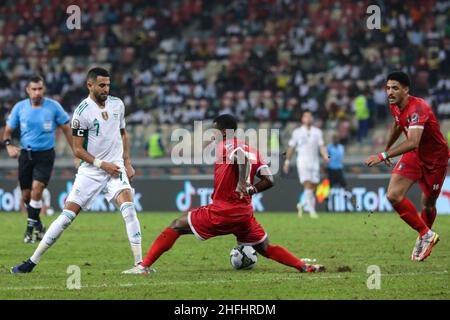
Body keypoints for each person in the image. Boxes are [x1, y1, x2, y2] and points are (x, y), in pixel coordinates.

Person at [122, 114, 325, 274]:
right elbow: (269, 180)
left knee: (176, 225)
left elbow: (241, 158)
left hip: (223, 211)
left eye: (213, 131)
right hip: (244, 214)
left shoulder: (226, 146)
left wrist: (241, 181)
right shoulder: (252, 148)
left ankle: (143, 266)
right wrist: (251, 188)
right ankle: (303, 266)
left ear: (221, 131)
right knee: (265, 248)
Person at [11, 67, 143, 273]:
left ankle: (139, 264)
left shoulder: (118, 104)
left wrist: (127, 161)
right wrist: (102, 164)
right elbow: (78, 149)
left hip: (115, 168)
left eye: (108, 85)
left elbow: (123, 133)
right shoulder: (82, 112)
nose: (106, 89)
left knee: (129, 209)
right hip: (91, 171)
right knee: (66, 217)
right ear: (89, 85)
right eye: (101, 85)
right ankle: (31, 261)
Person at [365, 71, 448, 261]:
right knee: (393, 195)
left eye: (394, 88)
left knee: (428, 204)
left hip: (435, 159)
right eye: (387, 88)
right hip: (414, 156)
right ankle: (426, 234)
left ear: (406, 89)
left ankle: (423, 236)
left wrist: (383, 155)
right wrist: (386, 147)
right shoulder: (394, 105)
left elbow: (412, 141)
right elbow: (397, 125)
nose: (389, 92)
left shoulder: (418, 108)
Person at [2, 75, 72, 243]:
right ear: (27, 90)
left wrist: (76, 152)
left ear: (44, 89)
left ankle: (29, 230)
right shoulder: (19, 108)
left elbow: (67, 130)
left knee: (37, 189)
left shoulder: (54, 107)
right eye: (33, 89)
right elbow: (8, 132)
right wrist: (9, 145)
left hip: (45, 155)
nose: (37, 92)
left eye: (40, 89)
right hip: (25, 154)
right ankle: (39, 226)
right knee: (26, 195)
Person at [283, 111, 329, 218]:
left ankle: (301, 204)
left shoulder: (317, 132)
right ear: (302, 119)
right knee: (307, 183)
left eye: (310, 116)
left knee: (313, 185)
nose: (308, 118)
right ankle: (312, 210)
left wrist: (325, 156)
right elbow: (291, 148)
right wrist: (287, 162)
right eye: (306, 116)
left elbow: (321, 146)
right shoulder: (297, 132)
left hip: (315, 161)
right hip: (303, 161)